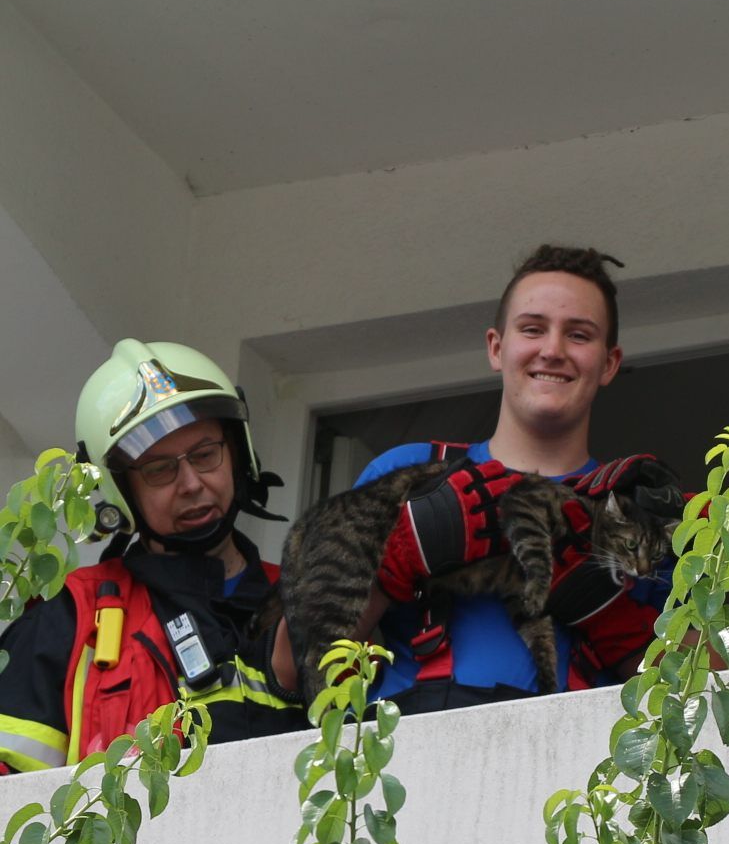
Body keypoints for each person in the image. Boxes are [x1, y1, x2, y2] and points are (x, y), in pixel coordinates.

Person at [351, 244, 683, 712]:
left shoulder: (638, 514)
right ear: (496, 347)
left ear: (609, 363)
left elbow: (695, 705)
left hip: (577, 766)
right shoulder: (407, 473)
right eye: (532, 328)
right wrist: (389, 567)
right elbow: (295, 665)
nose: (552, 350)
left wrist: (609, 614)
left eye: (579, 335)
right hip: (405, 756)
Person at [0, 339, 308, 774]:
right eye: (159, 469)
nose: (191, 483)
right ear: (119, 490)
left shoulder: (311, 599)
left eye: (205, 454)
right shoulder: (67, 624)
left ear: (237, 451)